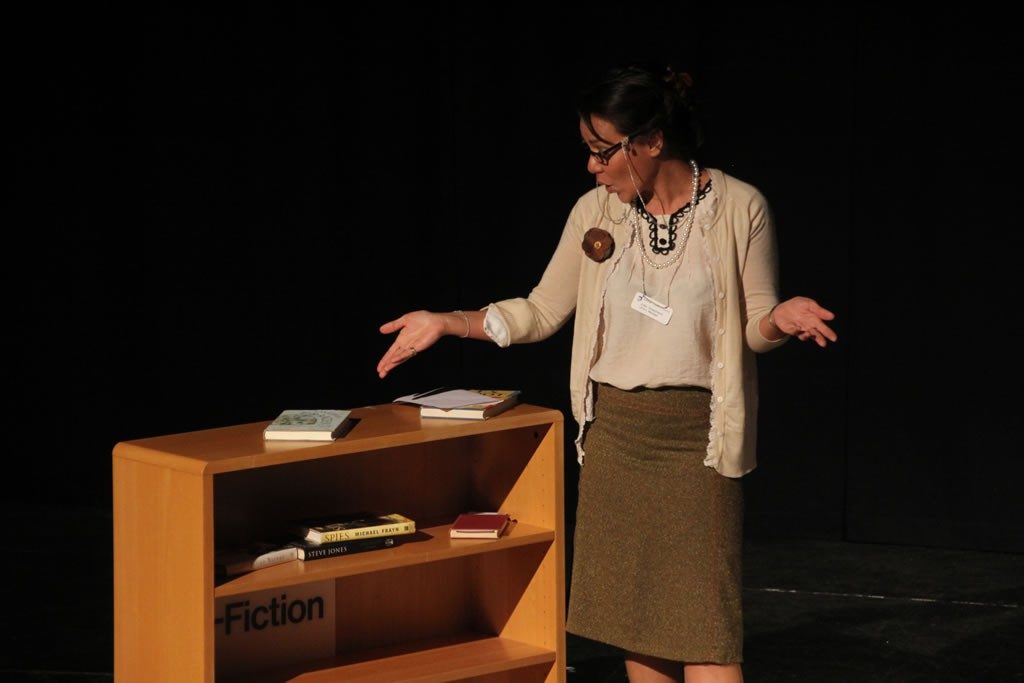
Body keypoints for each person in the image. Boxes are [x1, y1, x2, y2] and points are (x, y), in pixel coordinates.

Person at [376, 62, 837, 683]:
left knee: (708, 632)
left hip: (697, 440)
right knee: (637, 624)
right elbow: (541, 311)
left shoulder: (739, 206)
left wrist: (779, 319)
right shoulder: (596, 212)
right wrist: (449, 321)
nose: (592, 167)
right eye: (589, 151)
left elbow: (753, 327)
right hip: (615, 437)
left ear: (651, 142)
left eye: (603, 151)